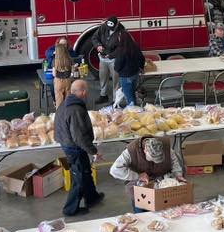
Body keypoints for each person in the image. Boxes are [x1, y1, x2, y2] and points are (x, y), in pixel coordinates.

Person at [54, 80, 104, 217]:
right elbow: (79, 137)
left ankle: (92, 198)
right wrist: (94, 151)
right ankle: (70, 209)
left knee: (85, 171)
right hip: (73, 147)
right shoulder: (75, 109)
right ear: (82, 92)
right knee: (79, 177)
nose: (87, 94)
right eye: (86, 91)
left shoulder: (66, 103)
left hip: (68, 143)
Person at [109, 136, 184, 212]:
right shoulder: (130, 151)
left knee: (168, 211)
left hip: (162, 184)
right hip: (139, 185)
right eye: (153, 159)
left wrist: (178, 174)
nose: (155, 162)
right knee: (142, 214)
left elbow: (174, 161)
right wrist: (138, 175)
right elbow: (114, 170)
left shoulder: (163, 146)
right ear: (145, 150)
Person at [110, 31, 146, 108]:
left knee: (129, 98)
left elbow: (117, 66)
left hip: (125, 77)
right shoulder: (135, 46)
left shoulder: (121, 50)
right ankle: (135, 109)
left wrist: (117, 70)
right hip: (135, 74)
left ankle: (133, 113)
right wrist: (141, 67)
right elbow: (142, 58)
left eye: (119, 38)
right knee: (133, 93)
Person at [91, 16, 123, 101]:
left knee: (116, 80)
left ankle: (115, 100)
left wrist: (112, 55)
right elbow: (94, 38)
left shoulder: (122, 32)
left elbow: (122, 48)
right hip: (102, 58)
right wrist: (98, 45)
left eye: (112, 28)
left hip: (114, 59)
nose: (110, 30)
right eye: (108, 28)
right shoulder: (104, 27)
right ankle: (103, 95)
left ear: (116, 25)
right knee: (102, 77)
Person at [50, 39, 79, 109]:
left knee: (59, 100)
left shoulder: (55, 61)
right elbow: (72, 70)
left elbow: (54, 74)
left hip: (58, 81)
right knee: (68, 98)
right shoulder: (69, 59)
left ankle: (59, 113)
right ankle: (68, 112)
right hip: (68, 80)